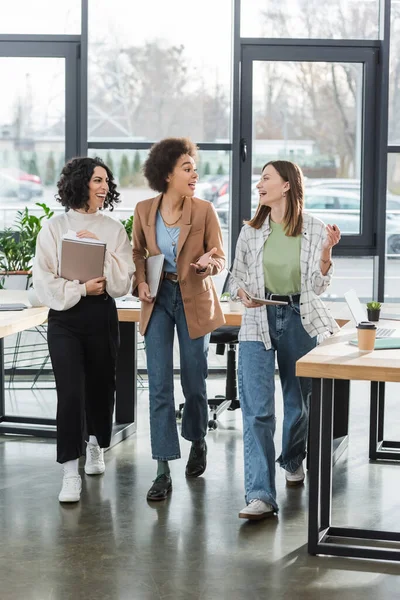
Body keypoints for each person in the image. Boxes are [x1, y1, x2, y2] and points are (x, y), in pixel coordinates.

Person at [230, 160, 341, 520]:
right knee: (258, 411)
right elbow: (235, 281)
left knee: (299, 404)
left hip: (298, 317)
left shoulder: (314, 228)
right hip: (256, 321)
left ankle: (293, 457)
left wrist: (326, 255)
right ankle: (261, 493)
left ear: (287, 186)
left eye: (266, 178)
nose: (259, 184)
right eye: (259, 179)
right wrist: (243, 293)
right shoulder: (250, 231)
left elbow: (319, 286)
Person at [33, 156, 135, 503]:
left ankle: (95, 444)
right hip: (65, 318)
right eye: (97, 180)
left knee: (101, 386)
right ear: (80, 184)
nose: (104, 187)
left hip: (101, 314)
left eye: (106, 181)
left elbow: (122, 284)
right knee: (71, 392)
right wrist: (80, 290)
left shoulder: (114, 229)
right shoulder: (54, 227)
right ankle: (68, 471)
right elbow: (44, 281)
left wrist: (100, 250)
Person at [132, 137, 225, 501]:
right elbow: (138, 252)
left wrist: (208, 265)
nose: (194, 174)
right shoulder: (143, 210)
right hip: (157, 298)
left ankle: (198, 438)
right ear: (166, 173)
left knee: (194, 380)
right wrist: (140, 281)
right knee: (158, 386)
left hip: (193, 298)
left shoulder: (203, 211)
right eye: (187, 168)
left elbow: (218, 256)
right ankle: (161, 468)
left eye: (195, 168)